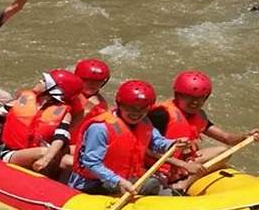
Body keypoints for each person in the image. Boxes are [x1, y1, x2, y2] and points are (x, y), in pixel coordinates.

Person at [68, 80, 197, 196]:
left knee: (159, 186)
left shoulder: (145, 123)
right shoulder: (100, 128)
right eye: (130, 107)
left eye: (142, 109)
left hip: (124, 179)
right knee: (151, 184)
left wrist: (173, 143)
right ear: (120, 104)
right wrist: (118, 181)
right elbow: (91, 163)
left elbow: (157, 142)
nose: (136, 113)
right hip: (92, 184)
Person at [147, 70, 259, 190]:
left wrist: (246, 136)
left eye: (200, 98)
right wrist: (182, 164)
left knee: (223, 151)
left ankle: (182, 185)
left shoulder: (199, 116)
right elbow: (144, 148)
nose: (195, 102)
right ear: (178, 95)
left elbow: (227, 138)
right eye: (190, 97)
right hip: (156, 166)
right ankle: (173, 184)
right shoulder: (161, 115)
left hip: (182, 164)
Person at [69, 58, 111, 145]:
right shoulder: (69, 96)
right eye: (86, 80)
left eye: (98, 81)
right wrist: (87, 109)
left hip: (80, 145)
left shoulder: (101, 104)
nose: (92, 84)